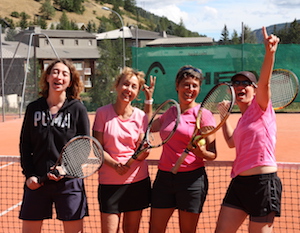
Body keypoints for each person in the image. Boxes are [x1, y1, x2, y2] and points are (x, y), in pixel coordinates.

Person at [214, 27, 282, 233]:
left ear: (253, 90)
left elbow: (265, 83)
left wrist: (270, 53)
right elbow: (231, 142)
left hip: (263, 184)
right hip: (240, 183)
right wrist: (224, 117)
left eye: (245, 83)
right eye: (235, 83)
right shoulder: (243, 119)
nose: (239, 86)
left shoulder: (261, 107)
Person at [19, 59, 90, 233]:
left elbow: (84, 146)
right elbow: (25, 145)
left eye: (65, 74)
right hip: (38, 181)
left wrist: (66, 169)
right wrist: (30, 175)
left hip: (69, 182)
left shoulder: (77, 109)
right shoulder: (33, 108)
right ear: (48, 77)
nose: (59, 76)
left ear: (70, 82)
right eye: (55, 72)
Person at [149, 65, 217, 233]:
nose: (190, 89)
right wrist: (148, 100)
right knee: (155, 229)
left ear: (199, 89)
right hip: (164, 177)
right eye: (186, 84)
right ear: (177, 86)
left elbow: (213, 153)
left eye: (195, 85)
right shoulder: (171, 112)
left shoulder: (204, 114)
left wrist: (202, 153)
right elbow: (149, 126)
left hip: (191, 181)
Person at [92, 67, 155, 233]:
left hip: (137, 182)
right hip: (109, 183)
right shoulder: (102, 113)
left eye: (134, 87)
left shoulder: (141, 116)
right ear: (117, 86)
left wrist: (145, 151)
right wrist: (115, 165)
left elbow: (141, 153)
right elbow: (97, 148)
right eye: (125, 84)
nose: (129, 89)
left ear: (137, 92)